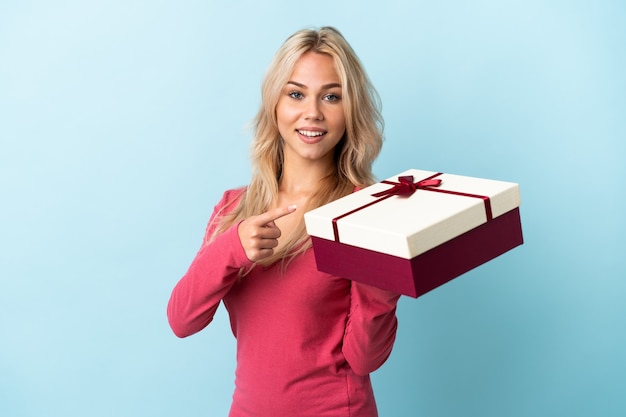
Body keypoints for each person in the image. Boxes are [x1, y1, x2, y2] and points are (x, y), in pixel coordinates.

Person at [167, 26, 401, 417]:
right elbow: (182, 319)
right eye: (296, 94)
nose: (312, 112)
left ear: (350, 110)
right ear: (274, 104)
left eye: (331, 96)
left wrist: (385, 279)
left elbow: (365, 359)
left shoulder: (365, 212)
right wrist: (234, 246)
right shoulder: (234, 208)